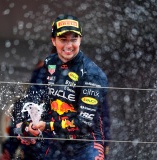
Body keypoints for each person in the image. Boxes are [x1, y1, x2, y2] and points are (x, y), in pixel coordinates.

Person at [15, 14, 108, 160]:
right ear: (53, 40)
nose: (68, 45)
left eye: (74, 39)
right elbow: (36, 98)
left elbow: (83, 124)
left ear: (80, 40)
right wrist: (27, 124)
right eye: (63, 39)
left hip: (86, 145)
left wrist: (45, 126)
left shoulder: (92, 74)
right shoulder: (49, 63)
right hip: (56, 144)